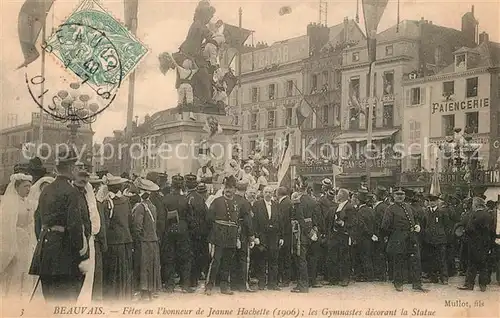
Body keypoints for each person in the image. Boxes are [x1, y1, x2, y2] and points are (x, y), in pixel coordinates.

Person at [29, 150, 90, 302]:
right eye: (76, 166)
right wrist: (81, 254)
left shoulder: (46, 190)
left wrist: (47, 238)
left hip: (45, 253)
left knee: (49, 301)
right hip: (65, 258)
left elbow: (37, 221)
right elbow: (75, 226)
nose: (77, 170)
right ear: (70, 168)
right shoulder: (72, 192)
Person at [381, 188, 428, 292]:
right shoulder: (390, 209)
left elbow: (416, 218)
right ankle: (398, 283)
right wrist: (395, 234)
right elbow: (384, 226)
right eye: (397, 194)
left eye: (402, 194)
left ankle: (417, 284)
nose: (400, 196)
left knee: (415, 260)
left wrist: (417, 225)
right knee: (398, 262)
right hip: (398, 239)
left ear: (405, 196)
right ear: (393, 196)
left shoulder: (408, 207)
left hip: (411, 238)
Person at [0, 173, 35, 299]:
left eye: (29, 186)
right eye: (25, 186)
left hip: (27, 241)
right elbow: (6, 226)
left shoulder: (29, 203)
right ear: (17, 187)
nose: (28, 189)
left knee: (25, 272)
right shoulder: (10, 203)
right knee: (15, 272)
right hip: (14, 241)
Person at [101, 174, 134, 300]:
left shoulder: (107, 203)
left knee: (112, 272)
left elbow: (105, 224)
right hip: (125, 240)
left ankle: (112, 298)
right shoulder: (126, 201)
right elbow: (130, 221)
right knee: (124, 271)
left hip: (113, 242)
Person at [205, 176, 239, 295]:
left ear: (235, 189)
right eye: (226, 188)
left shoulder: (237, 202)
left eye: (231, 188)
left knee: (227, 262)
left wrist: (237, 237)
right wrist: (213, 235)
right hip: (219, 235)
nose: (228, 190)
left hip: (231, 236)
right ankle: (209, 286)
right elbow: (209, 219)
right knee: (216, 261)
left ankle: (224, 286)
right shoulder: (217, 201)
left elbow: (237, 221)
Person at [160, 175, 195, 293]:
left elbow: (162, 218)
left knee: (169, 257)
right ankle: (185, 285)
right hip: (183, 230)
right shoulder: (186, 199)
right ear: (182, 186)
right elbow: (191, 219)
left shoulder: (165, 199)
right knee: (185, 258)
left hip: (169, 230)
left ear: (171, 185)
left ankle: (170, 285)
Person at [131, 178, 162, 301]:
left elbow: (137, 227)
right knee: (151, 266)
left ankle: (144, 293)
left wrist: (136, 239)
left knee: (144, 266)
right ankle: (149, 292)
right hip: (153, 240)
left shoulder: (140, 207)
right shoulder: (152, 206)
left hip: (144, 241)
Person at [458, 197, 494, 292]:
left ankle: (469, 284)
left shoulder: (473, 215)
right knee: (483, 265)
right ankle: (483, 285)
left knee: (472, 265)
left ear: (476, 205)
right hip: (485, 244)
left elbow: (469, 228)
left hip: (474, 243)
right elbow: (491, 230)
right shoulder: (489, 215)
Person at [253, 186, 283, 290]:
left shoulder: (276, 205)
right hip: (262, 236)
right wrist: (256, 236)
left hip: (274, 237)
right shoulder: (257, 205)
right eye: (266, 192)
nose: (268, 194)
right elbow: (255, 222)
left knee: (273, 260)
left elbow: (280, 221)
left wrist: (281, 237)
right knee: (261, 260)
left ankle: (272, 284)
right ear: (262, 193)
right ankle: (261, 283)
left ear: (273, 193)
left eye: (270, 192)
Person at [231, 181, 256, 292]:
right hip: (242, 233)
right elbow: (248, 221)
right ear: (245, 190)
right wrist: (251, 236)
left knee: (232, 258)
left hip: (230, 231)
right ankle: (242, 285)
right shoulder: (245, 203)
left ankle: (233, 284)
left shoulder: (229, 200)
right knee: (243, 258)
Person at [326, 188, 354, 286]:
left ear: (342, 196)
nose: (336, 195)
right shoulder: (338, 206)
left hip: (343, 235)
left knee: (344, 257)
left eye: (338, 194)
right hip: (335, 235)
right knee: (333, 257)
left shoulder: (349, 207)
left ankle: (345, 278)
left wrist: (343, 224)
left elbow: (352, 222)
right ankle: (334, 278)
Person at [186, 174, 209, 288]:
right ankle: (195, 278)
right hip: (201, 231)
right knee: (198, 255)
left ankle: (191, 280)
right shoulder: (200, 198)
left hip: (192, 231)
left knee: (191, 256)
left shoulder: (189, 198)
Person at [423, 194, 452, 285]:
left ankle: (444, 278)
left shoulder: (442, 212)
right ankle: (433, 277)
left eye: (434, 201)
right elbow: (424, 225)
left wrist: (444, 237)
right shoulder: (426, 212)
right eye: (430, 201)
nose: (432, 203)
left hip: (440, 240)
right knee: (431, 259)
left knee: (442, 259)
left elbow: (447, 226)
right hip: (429, 240)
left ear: (437, 202)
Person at [277, 186, 293, 287]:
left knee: (284, 256)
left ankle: (285, 280)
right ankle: (286, 278)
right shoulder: (288, 202)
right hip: (288, 232)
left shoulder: (283, 204)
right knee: (286, 256)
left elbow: (282, 220)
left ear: (277, 194)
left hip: (285, 233)